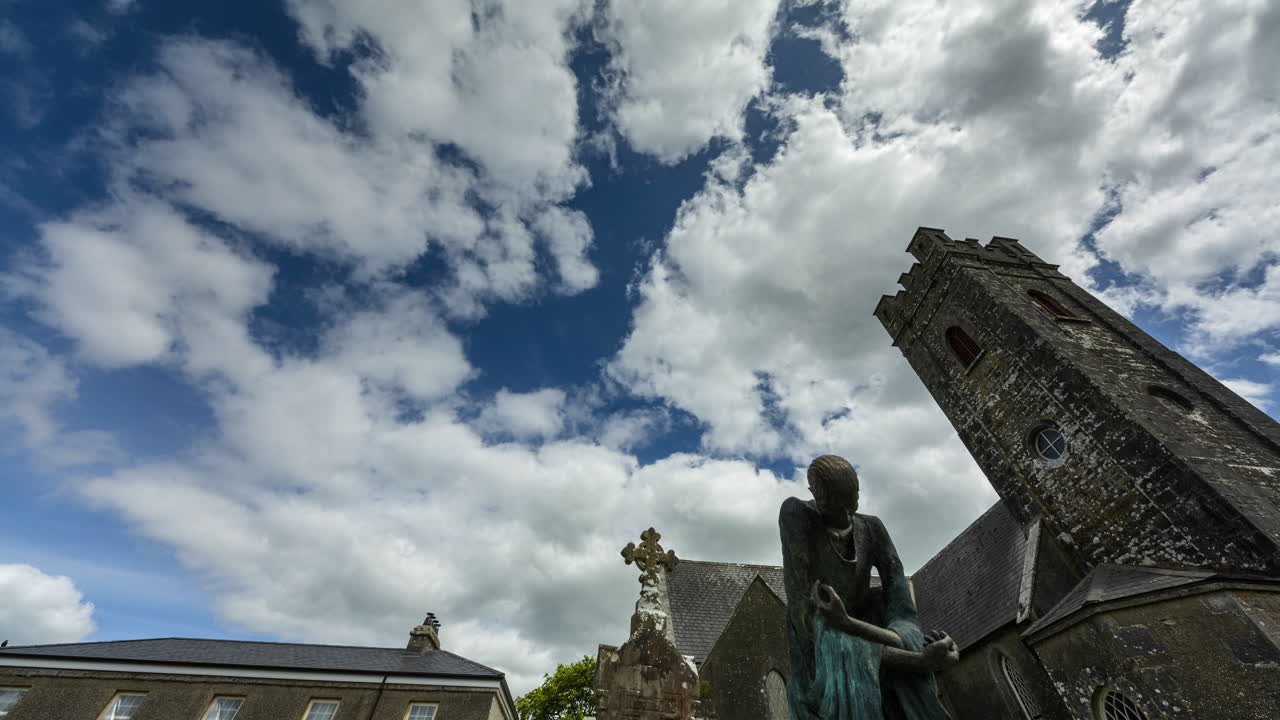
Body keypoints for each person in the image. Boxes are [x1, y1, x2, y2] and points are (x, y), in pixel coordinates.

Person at [780, 455, 957, 720]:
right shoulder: (797, 515)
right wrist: (918, 660)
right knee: (829, 637)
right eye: (832, 504)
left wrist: (922, 647)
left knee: (879, 602)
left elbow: (904, 614)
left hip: (861, 630)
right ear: (814, 496)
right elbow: (809, 623)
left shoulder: (872, 528)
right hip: (821, 658)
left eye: (851, 501)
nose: (844, 515)